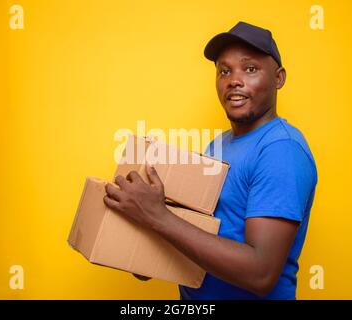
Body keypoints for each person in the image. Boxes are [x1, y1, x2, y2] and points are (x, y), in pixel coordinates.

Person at [103, 21, 318, 300]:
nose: (233, 80)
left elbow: (260, 272)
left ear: (278, 78)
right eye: (224, 71)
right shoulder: (218, 145)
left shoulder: (281, 149)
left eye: (250, 69)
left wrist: (157, 217)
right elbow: (196, 233)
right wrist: (148, 235)